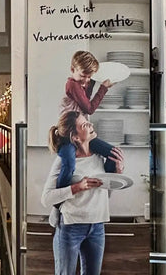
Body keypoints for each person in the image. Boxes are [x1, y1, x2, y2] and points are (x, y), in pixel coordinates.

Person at [42, 111, 111, 275]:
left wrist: (118, 169)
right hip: (70, 226)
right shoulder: (63, 161)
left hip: (97, 225)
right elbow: (46, 198)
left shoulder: (100, 158)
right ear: (75, 137)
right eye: (85, 125)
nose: (91, 125)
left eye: (88, 122)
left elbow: (105, 191)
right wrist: (77, 187)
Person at [56, 51, 123, 195]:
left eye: (89, 77)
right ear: (72, 70)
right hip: (67, 135)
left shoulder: (82, 84)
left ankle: (104, 185)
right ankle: (59, 202)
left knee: (114, 153)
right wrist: (103, 87)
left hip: (82, 134)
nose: (85, 80)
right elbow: (89, 108)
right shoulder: (72, 85)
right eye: (83, 76)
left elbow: (86, 99)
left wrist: (93, 81)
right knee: (69, 165)